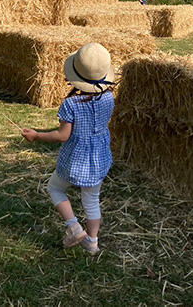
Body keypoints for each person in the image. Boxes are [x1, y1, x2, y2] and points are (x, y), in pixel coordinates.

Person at [22, 43, 116, 256]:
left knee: (55, 188)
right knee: (92, 200)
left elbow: (63, 135)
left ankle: (74, 228)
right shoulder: (109, 98)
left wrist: (37, 136)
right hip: (99, 158)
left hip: (74, 159)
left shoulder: (71, 104)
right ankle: (92, 242)